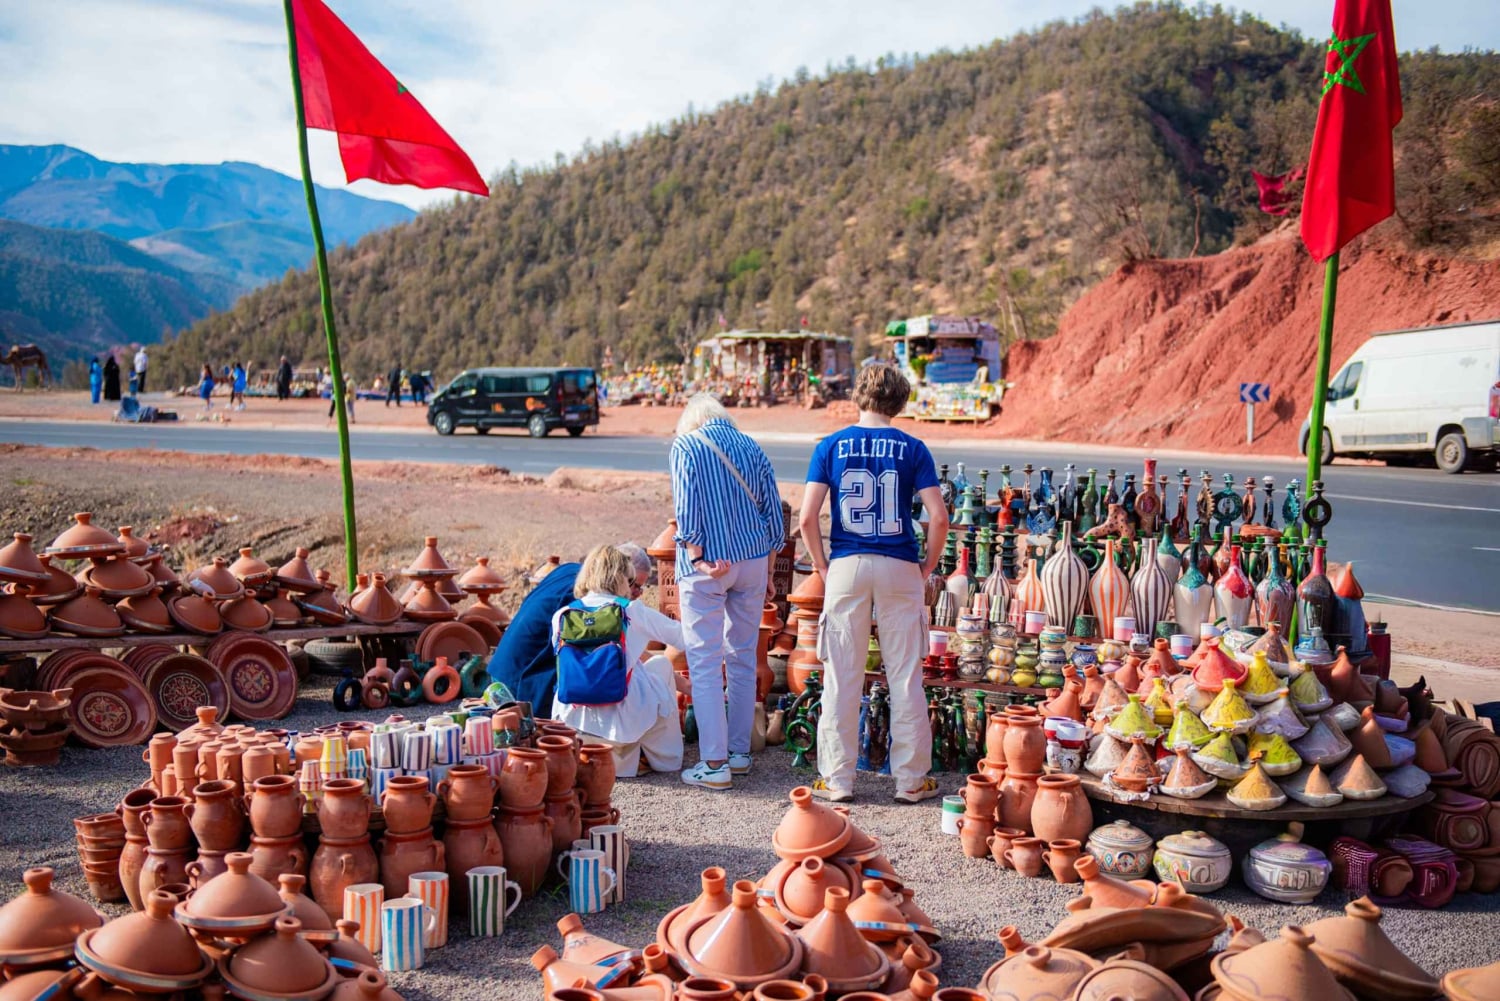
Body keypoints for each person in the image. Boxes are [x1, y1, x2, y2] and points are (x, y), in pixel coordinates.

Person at [799, 362, 948, 804]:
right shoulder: (913, 448)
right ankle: (909, 780)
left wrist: (823, 566)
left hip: (847, 562)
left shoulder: (830, 445)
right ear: (899, 400)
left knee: (841, 676)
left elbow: (808, 517)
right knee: (905, 676)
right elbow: (938, 517)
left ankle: (839, 779)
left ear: (858, 395)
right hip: (899, 563)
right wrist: (926, 566)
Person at [670, 393, 784, 790]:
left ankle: (713, 762)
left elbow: (685, 508)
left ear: (692, 421)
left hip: (711, 564)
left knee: (703, 660)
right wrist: (769, 568)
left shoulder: (686, 445)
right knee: (741, 657)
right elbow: (773, 510)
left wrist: (696, 553)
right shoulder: (751, 446)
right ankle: (738, 754)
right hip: (753, 559)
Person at [551, 544, 685, 777]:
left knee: (637, 667)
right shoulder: (632, 611)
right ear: (623, 577)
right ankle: (667, 759)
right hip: (622, 726)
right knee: (661, 666)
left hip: (573, 722)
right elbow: (687, 639)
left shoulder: (562, 616)